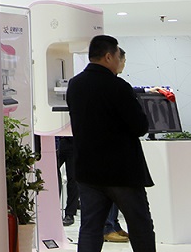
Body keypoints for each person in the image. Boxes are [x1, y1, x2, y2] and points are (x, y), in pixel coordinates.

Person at [66, 35, 154, 252]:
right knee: (140, 225)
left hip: (87, 170)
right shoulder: (118, 87)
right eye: (117, 56)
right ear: (108, 56)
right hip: (121, 172)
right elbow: (140, 126)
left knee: (90, 228)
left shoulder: (75, 85)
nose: (118, 60)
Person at [103, 48, 130, 243]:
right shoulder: (113, 86)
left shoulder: (118, 84)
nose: (123, 64)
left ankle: (113, 224)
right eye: (123, 60)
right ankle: (107, 227)